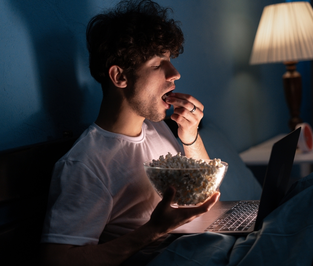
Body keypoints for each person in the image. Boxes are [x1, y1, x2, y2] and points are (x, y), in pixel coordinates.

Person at [40, 0, 220, 265]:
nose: (175, 74)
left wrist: (190, 136)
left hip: (206, 245)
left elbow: (203, 195)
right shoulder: (87, 163)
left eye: (169, 60)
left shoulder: (156, 128)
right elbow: (56, 260)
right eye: (158, 64)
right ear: (120, 77)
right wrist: (153, 230)